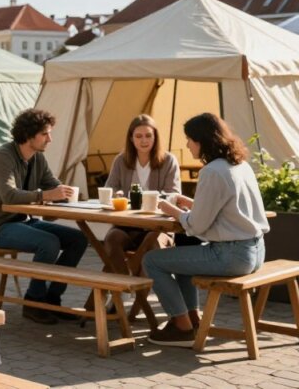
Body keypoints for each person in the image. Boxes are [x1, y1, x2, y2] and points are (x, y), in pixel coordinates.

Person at [143, 113, 269, 347]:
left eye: (190, 139)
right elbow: (230, 209)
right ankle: (192, 319)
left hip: (231, 256)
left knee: (152, 260)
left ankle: (181, 327)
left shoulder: (212, 171)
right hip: (255, 251)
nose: (187, 145)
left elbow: (197, 225)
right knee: (181, 254)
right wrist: (193, 204)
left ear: (202, 141)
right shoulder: (240, 165)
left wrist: (171, 210)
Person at [0, 108, 88, 325]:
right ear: (28, 135)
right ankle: (33, 301)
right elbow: (9, 196)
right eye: (45, 134)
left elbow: (52, 185)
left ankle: (52, 298)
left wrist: (67, 194)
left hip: (25, 221)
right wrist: (46, 195)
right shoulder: (3, 156)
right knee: (48, 243)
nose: (50, 139)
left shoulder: (37, 158)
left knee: (78, 239)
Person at [102, 114, 181, 276]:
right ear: (131, 138)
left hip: (158, 227)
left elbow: (173, 194)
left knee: (151, 242)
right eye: (138, 136)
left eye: (148, 136)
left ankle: (138, 290)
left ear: (155, 137)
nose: (144, 140)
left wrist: (152, 200)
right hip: (127, 225)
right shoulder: (121, 160)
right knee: (111, 240)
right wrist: (117, 195)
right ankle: (125, 285)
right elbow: (110, 188)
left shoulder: (169, 161)